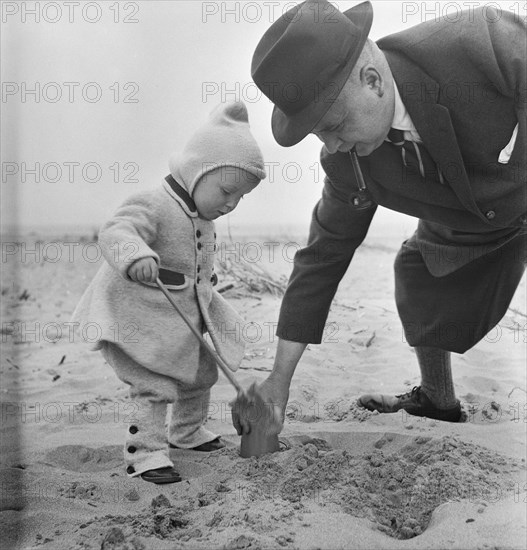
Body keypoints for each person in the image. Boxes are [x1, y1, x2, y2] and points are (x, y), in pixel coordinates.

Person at [233, 0, 526, 436]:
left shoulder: (483, 41)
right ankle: (438, 401)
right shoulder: (348, 163)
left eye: (333, 125)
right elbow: (322, 258)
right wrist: (279, 379)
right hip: (473, 222)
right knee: (417, 267)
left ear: (372, 81)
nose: (332, 146)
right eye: (320, 135)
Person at [72, 101, 266, 484]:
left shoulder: (203, 217)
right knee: (154, 384)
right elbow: (117, 230)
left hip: (181, 316)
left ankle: (186, 433)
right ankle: (144, 454)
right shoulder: (155, 202)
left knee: (200, 375)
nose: (231, 203)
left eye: (240, 197)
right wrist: (136, 255)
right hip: (137, 316)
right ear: (197, 171)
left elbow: (198, 270)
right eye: (227, 191)